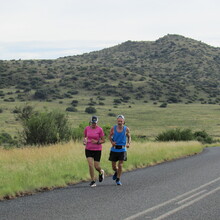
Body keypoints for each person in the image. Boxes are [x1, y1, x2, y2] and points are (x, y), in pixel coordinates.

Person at [109, 115, 131, 185]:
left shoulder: (126, 129)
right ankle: (116, 171)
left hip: (122, 149)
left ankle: (118, 179)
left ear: (124, 121)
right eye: (118, 121)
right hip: (114, 149)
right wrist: (112, 142)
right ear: (117, 121)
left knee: (120, 165)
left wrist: (128, 143)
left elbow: (129, 136)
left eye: (121, 121)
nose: (120, 122)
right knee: (113, 166)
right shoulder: (113, 128)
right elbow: (109, 136)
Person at [84, 116, 105, 187]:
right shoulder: (87, 128)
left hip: (97, 150)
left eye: (95, 123)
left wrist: (97, 142)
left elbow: (103, 140)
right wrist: (84, 141)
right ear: (90, 122)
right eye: (92, 123)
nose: (94, 124)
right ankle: (93, 181)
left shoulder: (100, 129)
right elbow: (85, 137)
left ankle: (101, 172)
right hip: (88, 149)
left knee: (96, 167)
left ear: (97, 122)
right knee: (90, 164)